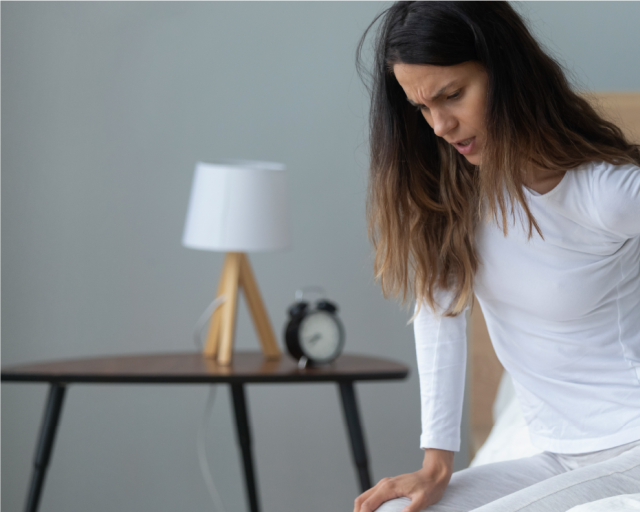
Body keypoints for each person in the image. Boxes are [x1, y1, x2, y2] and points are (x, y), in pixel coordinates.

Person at [353, 1, 640, 511]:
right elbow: (439, 317)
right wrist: (436, 464)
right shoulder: (455, 199)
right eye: (421, 108)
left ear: (507, 71)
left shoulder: (606, 193)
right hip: (554, 452)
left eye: (453, 95)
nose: (439, 125)